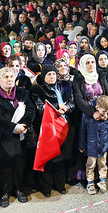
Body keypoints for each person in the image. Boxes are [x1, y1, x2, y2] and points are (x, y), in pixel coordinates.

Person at [0, 66, 35, 208]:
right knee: (4, 167)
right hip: (3, 138)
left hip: (21, 135)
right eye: (6, 77)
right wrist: (13, 128)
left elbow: (31, 110)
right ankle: (5, 192)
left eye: (12, 76)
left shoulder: (22, 92)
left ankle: (19, 189)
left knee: (20, 164)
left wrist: (23, 125)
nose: (9, 79)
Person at [29, 64, 75, 196]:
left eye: (54, 74)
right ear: (44, 76)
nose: (52, 76)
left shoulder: (65, 86)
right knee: (48, 158)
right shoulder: (37, 90)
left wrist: (66, 108)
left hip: (64, 127)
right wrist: (57, 110)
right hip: (48, 129)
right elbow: (40, 108)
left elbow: (72, 103)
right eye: (49, 74)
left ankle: (60, 185)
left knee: (61, 158)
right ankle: (46, 187)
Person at [78, 94, 108, 195]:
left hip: (103, 146)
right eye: (104, 111)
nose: (106, 114)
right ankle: (90, 182)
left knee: (103, 164)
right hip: (91, 147)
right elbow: (82, 131)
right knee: (90, 165)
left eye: (107, 111)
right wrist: (81, 145)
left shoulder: (107, 117)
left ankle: (103, 180)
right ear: (97, 108)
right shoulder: (87, 116)